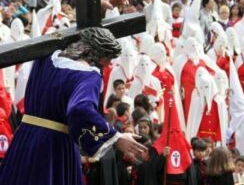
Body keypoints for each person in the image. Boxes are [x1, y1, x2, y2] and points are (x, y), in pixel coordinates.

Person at [0, 27, 146, 185]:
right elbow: (79, 109)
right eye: (108, 57)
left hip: (25, 138)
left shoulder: (48, 55)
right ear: (96, 52)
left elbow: (65, 33)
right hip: (54, 148)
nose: (109, 63)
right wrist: (115, 137)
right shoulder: (89, 76)